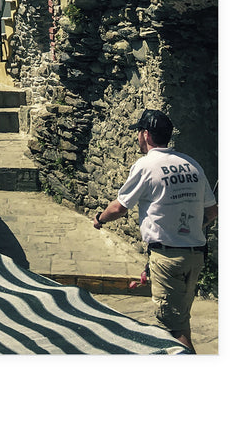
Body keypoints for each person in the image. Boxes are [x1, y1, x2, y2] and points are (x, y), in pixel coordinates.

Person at [93, 108, 217, 353]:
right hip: (194, 257)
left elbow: (119, 207)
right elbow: (212, 211)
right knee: (181, 319)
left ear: (146, 134)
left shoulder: (146, 166)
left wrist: (99, 219)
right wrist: (186, 230)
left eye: (139, 132)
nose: (137, 137)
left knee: (172, 332)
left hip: (168, 259)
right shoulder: (191, 164)